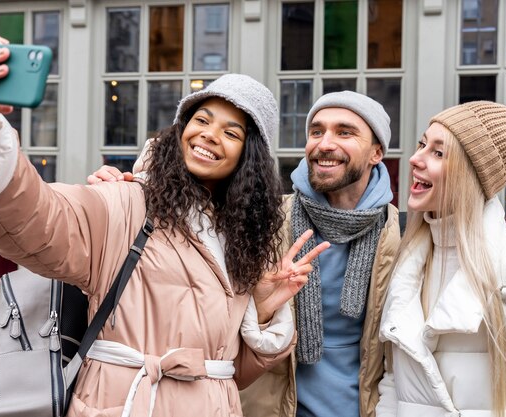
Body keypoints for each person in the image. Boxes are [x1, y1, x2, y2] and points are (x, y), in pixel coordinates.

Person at [0, 31, 330, 417]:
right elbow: (38, 219)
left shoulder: (240, 238)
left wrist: (259, 311)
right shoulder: (127, 202)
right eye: (201, 119)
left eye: (231, 132)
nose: (209, 136)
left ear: (250, 157)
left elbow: (228, 374)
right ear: (181, 127)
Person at [90, 91, 401, 417]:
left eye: (344, 132)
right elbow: (184, 234)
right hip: (266, 407)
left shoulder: (397, 234)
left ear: (376, 152)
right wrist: (125, 193)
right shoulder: (262, 218)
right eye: (316, 131)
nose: (324, 143)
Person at [376, 101, 506, 417]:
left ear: (473, 174)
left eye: (438, 153)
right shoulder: (407, 266)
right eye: (422, 145)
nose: (415, 159)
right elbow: (392, 384)